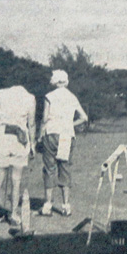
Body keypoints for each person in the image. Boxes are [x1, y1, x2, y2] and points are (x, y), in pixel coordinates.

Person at [0, 77, 36, 227]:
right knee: (16, 179)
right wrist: (32, 145)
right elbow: (31, 124)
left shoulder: (1, 93)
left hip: (2, 137)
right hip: (20, 139)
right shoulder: (30, 98)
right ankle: (13, 214)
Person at [38, 70, 88, 217]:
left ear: (54, 81)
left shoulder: (49, 96)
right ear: (66, 81)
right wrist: (70, 125)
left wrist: (40, 135)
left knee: (49, 168)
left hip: (51, 133)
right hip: (67, 135)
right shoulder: (72, 97)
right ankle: (66, 206)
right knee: (64, 168)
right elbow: (84, 117)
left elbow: (44, 118)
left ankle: (48, 205)